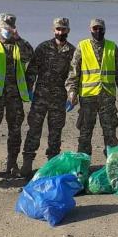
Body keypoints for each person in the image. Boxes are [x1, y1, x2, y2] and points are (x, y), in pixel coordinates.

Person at [20, 18, 76, 177]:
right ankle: (27, 162)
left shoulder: (72, 51)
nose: (60, 32)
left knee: (55, 132)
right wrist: (28, 89)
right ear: (53, 30)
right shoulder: (43, 48)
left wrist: (72, 94)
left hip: (59, 98)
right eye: (58, 29)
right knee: (34, 129)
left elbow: (73, 75)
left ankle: (52, 163)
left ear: (68, 31)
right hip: (40, 97)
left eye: (63, 29)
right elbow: (32, 70)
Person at [0, 13, 34, 178]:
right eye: (4, 27)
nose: (7, 30)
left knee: (15, 130)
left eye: (10, 27)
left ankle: (12, 163)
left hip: (15, 96)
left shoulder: (19, 45)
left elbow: (30, 56)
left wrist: (18, 38)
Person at [66, 18, 118, 156]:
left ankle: (112, 165)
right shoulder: (82, 46)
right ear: (90, 29)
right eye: (95, 28)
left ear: (105, 29)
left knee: (110, 133)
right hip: (87, 98)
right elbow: (73, 73)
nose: (98, 31)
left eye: (100, 28)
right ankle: (82, 166)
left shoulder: (112, 47)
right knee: (85, 134)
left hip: (107, 96)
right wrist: (71, 92)